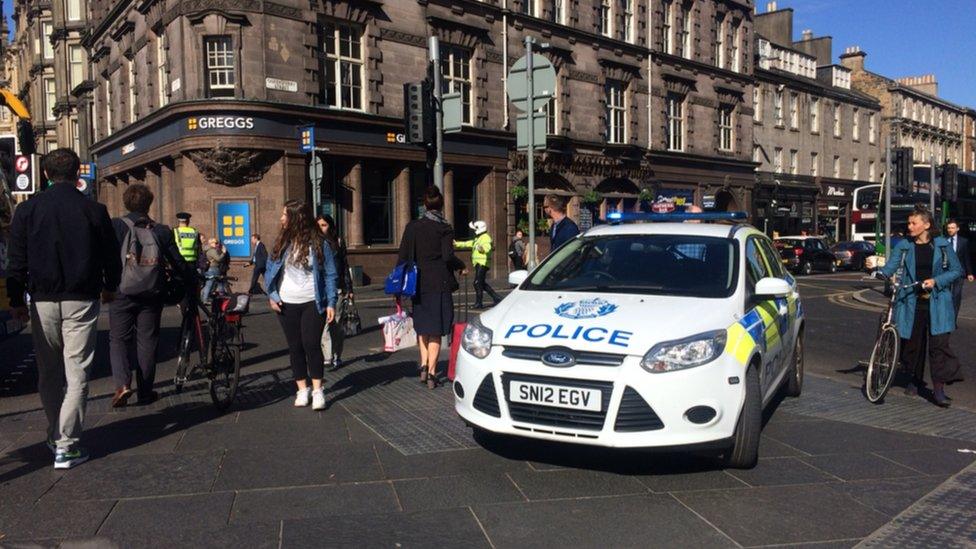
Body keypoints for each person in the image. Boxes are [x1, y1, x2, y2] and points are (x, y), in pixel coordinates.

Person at [6, 148, 122, 469]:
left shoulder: (27, 211)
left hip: (41, 300)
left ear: (44, 175)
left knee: (48, 372)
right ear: (77, 175)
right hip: (81, 298)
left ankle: (55, 433)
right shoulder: (94, 211)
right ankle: (67, 444)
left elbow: (16, 261)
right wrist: (110, 286)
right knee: (77, 373)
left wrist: (16, 300)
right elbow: (111, 257)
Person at [109, 184, 190, 408]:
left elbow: (106, 257)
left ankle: (122, 385)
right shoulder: (161, 230)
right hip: (152, 292)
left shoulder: (116, 226)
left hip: (122, 291)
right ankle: (145, 391)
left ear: (126, 203)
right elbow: (178, 261)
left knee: (118, 339)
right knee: (147, 340)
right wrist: (190, 277)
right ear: (149, 203)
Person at [879, 207, 963, 407]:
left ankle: (939, 390)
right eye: (908, 223)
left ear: (926, 225)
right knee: (912, 347)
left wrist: (936, 280)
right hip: (911, 302)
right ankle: (914, 379)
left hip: (938, 303)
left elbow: (957, 270)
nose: (909, 227)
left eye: (913, 223)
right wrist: (878, 270)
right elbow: (890, 267)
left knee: (939, 347)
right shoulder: (904, 245)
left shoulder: (941, 245)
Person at [265, 200, 338, 410]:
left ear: (296, 218)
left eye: (285, 215)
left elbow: (330, 275)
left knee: (311, 344)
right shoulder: (281, 242)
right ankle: (302, 389)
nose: (281, 219)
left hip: (312, 302)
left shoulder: (319, 243)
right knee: (295, 347)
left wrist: (331, 302)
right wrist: (272, 295)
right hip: (286, 303)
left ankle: (317, 390)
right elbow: (270, 270)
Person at [398, 186, 465, 389]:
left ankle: (424, 364)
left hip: (418, 283)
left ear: (424, 204)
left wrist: (400, 286)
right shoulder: (444, 228)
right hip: (439, 282)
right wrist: (461, 266)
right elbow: (447, 256)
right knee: (436, 329)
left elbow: (403, 256)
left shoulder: (412, 227)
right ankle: (433, 373)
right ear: (441, 204)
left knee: (423, 327)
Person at [316, 214, 352, 370]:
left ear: (330, 226)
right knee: (324, 324)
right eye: (318, 225)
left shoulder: (337, 242)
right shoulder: (313, 244)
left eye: (324, 225)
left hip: (337, 288)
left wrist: (349, 289)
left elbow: (344, 265)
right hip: (319, 290)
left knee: (337, 325)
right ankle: (327, 356)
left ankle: (337, 355)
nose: (321, 228)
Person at [455, 220, 502, 309]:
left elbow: (487, 248)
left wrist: (481, 248)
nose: (473, 231)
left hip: (482, 263)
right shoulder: (478, 238)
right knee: (481, 283)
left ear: (479, 229)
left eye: (475, 229)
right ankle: (497, 298)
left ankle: (479, 303)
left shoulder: (485, 237)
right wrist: (456, 243)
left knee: (477, 283)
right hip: (478, 263)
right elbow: (468, 243)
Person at [945, 219, 973, 320]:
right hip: (946, 273)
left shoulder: (964, 242)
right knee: (946, 296)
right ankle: (946, 317)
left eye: (952, 228)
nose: (950, 230)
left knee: (956, 296)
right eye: (948, 228)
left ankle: (953, 319)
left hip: (959, 272)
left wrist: (969, 273)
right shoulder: (944, 241)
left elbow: (966, 258)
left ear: (957, 229)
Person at [200, 238, 228, 302]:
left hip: (210, 269)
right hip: (213, 268)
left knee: (209, 284)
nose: (217, 244)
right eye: (215, 243)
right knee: (214, 283)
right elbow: (218, 259)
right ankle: (206, 299)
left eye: (217, 242)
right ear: (211, 243)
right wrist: (223, 253)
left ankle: (204, 298)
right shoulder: (212, 250)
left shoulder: (207, 250)